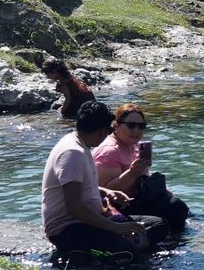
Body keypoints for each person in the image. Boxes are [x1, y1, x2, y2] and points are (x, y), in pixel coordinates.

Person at [41, 102, 154, 258]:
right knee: (128, 252)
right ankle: (80, 255)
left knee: (155, 225)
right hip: (69, 229)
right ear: (101, 131)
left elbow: (79, 188)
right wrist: (116, 228)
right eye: (109, 130)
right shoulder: (72, 153)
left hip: (91, 219)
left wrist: (106, 192)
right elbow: (74, 207)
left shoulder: (79, 144)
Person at [94, 103, 190, 234]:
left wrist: (162, 189)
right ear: (116, 125)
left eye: (141, 126)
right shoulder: (109, 151)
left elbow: (143, 177)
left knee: (179, 207)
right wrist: (132, 173)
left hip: (139, 198)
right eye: (131, 125)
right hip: (119, 207)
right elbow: (105, 191)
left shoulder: (135, 145)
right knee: (176, 208)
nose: (137, 130)